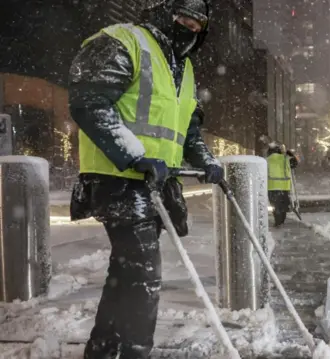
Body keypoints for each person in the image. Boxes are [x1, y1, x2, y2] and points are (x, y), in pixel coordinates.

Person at [67, 1, 223, 357]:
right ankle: (136, 351)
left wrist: (206, 161)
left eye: (199, 26)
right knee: (143, 276)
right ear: (163, 12)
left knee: (126, 274)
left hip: (152, 183)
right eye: (186, 20)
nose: (192, 30)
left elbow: (189, 128)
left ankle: (102, 349)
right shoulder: (124, 42)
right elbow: (88, 101)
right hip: (117, 178)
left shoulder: (182, 68)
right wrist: (134, 154)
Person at [267, 142, 298, 226]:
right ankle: (281, 221)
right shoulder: (285, 159)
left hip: (271, 187)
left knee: (275, 206)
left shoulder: (267, 160)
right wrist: (291, 154)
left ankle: (278, 221)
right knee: (283, 206)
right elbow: (295, 163)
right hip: (284, 187)